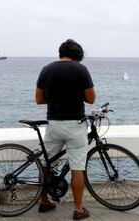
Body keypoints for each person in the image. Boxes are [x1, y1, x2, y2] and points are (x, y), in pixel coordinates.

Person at [35, 39, 96, 220]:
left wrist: (55, 99)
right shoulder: (81, 69)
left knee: (47, 163)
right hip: (75, 126)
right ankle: (78, 209)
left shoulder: (46, 69)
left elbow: (39, 99)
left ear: (60, 53)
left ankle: (44, 201)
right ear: (78, 55)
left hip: (54, 124)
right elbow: (91, 99)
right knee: (77, 167)